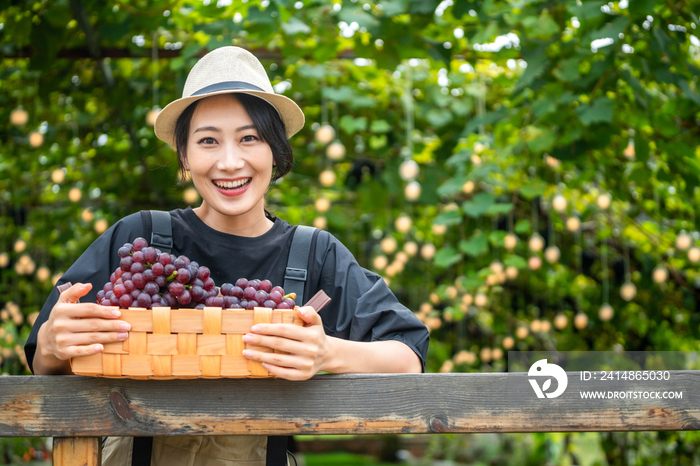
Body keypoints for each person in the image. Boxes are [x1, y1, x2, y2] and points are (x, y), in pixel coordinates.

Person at [25, 46, 429, 465]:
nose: (230, 162)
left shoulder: (314, 253)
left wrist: (328, 353)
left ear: (275, 149)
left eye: (250, 138)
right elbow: (44, 361)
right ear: (185, 155)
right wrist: (54, 345)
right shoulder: (140, 239)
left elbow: (407, 358)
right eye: (208, 141)